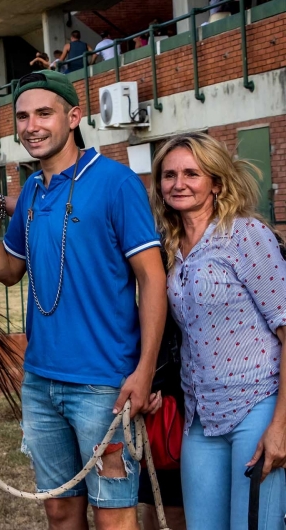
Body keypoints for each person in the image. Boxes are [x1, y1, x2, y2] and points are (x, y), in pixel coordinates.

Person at [0, 70, 167, 530]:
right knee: (58, 510)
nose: (31, 125)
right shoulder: (33, 190)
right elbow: (9, 267)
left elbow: (153, 280)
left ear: (73, 117)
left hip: (104, 385)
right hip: (39, 382)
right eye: (22, 116)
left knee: (113, 515)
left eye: (44, 113)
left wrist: (143, 369)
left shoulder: (116, 183)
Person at [149, 132, 286, 530]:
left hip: (257, 406)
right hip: (200, 418)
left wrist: (280, 425)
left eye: (192, 173)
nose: (179, 183)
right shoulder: (168, 247)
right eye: (169, 174)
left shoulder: (245, 236)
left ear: (217, 183)